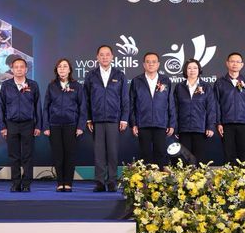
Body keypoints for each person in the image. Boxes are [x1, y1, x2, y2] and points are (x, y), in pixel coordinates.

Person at [85, 45, 129, 192]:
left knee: (112, 152)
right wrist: (89, 118)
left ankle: (111, 181)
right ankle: (99, 181)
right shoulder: (91, 75)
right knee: (99, 153)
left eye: (107, 54)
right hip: (97, 119)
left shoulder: (119, 75)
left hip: (114, 119)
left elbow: (125, 99)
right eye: (102, 55)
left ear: (112, 57)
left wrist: (124, 118)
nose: (104, 57)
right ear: (97, 57)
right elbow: (86, 99)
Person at [43, 58, 86, 192]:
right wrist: (46, 126)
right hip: (54, 125)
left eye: (65, 66)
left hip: (71, 125)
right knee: (58, 155)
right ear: (56, 70)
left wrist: (80, 126)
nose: (62, 69)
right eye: (60, 66)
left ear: (69, 70)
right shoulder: (52, 86)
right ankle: (60, 182)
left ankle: (68, 183)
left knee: (69, 155)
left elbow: (83, 107)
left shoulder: (77, 86)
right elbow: (46, 107)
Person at [0, 56, 41, 192]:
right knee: (14, 155)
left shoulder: (33, 85)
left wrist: (38, 125)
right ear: (12, 69)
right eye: (16, 67)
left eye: (21, 67)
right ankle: (16, 183)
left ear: (26, 69)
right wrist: (3, 126)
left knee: (27, 155)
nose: (19, 69)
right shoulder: (6, 85)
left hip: (28, 124)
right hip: (11, 124)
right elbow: (1, 106)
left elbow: (37, 106)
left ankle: (27, 183)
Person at [129, 52, 175, 168]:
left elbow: (170, 103)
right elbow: (131, 104)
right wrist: (133, 123)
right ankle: (146, 179)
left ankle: (160, 178)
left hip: (161, 123)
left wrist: (172, 123)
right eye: (148, 62)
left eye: (154, 62)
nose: (151, 64)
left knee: (161, 153)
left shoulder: (165, 80)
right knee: (145, 154)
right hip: (143, 123)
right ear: (144, 64)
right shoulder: (136, 81)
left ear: (158, 64)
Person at [214, 52, 245, 165]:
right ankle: (229, 175)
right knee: (228, 154)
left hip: (244, 123)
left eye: (238, 62)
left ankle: (244, 175)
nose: (235, 64)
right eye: (232, 61)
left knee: (244, 153)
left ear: (242, 65)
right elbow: (216, 104)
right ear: (227, 63)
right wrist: (218, 122)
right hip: (226, 123)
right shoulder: (220, 82)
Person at [173, 58, 216, 165]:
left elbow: (211, 108)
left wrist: (210, 126)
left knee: (200, 159)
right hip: (184, 128)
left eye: (195, 68)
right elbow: (175, 109)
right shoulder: (179, 87)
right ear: (185, 70)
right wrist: (176, 128)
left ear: (199, 70)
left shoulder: (206, 87)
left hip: (200, 129)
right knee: (184, 160)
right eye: (189, 68)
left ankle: (199, 176)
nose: (192, 70)